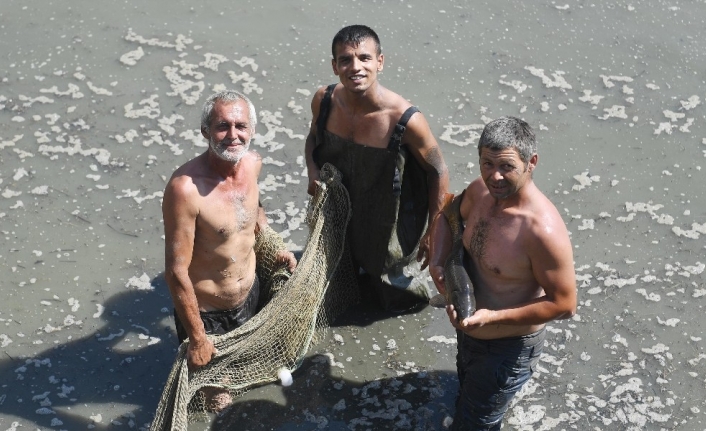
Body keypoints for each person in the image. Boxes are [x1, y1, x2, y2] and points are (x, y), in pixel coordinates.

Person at [428, 116, 577, 430]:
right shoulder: (479, 192)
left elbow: (565, 304)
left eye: (506, 166)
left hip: (507, 348)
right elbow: (447, 214)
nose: (494, 176)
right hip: (468, 331)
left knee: (475, 424)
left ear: (531, 162)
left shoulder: (541, 230)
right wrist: (438, 262)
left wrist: (490, 318)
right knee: (466, 400)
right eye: (486, 164)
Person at [304, 24, 449, 311]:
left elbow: (438, 170)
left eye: (364, 58)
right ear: (335, 66)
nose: (355, 67)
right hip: (339, 205)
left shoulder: (405, 119)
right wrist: (311, 171)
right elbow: (312, 138)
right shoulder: (324, 100)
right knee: (339, 273)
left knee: (395, 292)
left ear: (380, 62)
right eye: (345, 59)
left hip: (387, 214)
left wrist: (435, 229)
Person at [162, 90, 296, 386]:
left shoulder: (253, 164)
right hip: (209, 315)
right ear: (205, 131)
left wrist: (274, 245)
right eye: (222, 126)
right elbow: (175, 271)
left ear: (253, 131)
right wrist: (197, 338)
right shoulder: (185, 190)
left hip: (251, 297)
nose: (232, 135)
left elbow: (254, 212)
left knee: (250, 375)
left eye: (241, 126)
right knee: (218, 398)